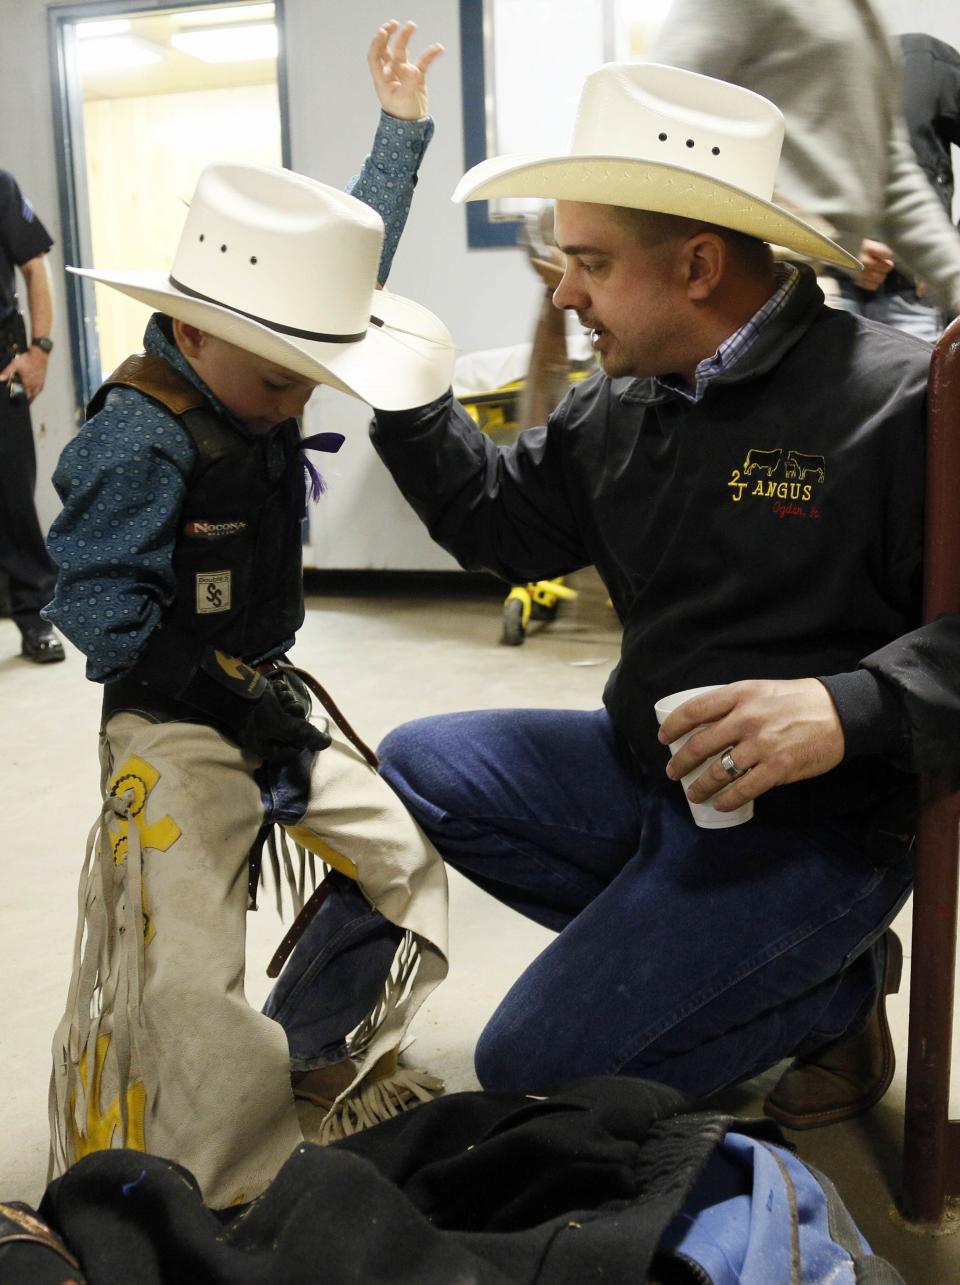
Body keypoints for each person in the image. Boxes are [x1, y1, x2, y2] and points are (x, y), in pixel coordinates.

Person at [290, 61, 959, 1134]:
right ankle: (767, 968)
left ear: (698, 264)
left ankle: (828, 987)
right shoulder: (620, 406)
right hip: (653, 769)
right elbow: (502, 527)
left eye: (589, 263)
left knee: (530, 1067)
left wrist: (848, 706)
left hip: (816, 831)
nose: (564, 292)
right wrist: (412, 400)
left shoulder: (896, 404)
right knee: (423, 761)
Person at [44, 22, 454, 1209]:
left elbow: (342, 271)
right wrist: (225, 698)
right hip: (171, 719)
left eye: (312, 379)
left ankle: (319, 1067)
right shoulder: (136, 435)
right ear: (197, 323)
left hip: (261, 690)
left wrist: (402, 134)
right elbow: (102, 616)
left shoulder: (262, 358)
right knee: (185, 971)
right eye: (279, 378)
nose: (294, 404)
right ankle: (232, 1184)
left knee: (406, 860)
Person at [650, 0, 960, 324]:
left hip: (814, 281)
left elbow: (893, 176)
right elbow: (664, 113)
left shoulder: (866, 24)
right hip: (753, 279)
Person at [827, 33, 960, 342]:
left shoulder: (924, 64)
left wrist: (948, 248)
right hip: (825, 291)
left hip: (913, 299)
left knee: (927, 388)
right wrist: (838, 245)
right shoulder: (783, 80)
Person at [0, 170, 64, 663]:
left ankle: (34, 614)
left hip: (2, 362)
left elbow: (35, 267)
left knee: (12, 495)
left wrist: (39, 350)